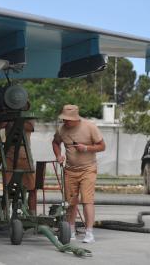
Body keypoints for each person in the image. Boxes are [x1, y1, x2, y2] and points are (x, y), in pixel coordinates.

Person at [52, 104, 105, 243]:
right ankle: (71, 230)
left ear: (75, 118)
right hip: (70, 170)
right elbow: (55, 142)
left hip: (88, 169)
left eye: (68, 119)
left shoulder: (89, 127)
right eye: (64, 119)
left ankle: (89, 233)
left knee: (87, 200)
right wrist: (58, 155)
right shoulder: (62, 129)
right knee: (70, 202)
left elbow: (102, 146)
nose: (65, 122)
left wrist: (86, 148)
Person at [0, 119, 37, 215]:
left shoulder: (28, 118)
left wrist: (16, 119)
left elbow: (30, 127)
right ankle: (5, 213)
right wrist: (8, 116)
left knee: (32, 188)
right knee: (6, 187)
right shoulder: (8, 116)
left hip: (25, 157)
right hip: (9, 158)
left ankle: (32, 215)